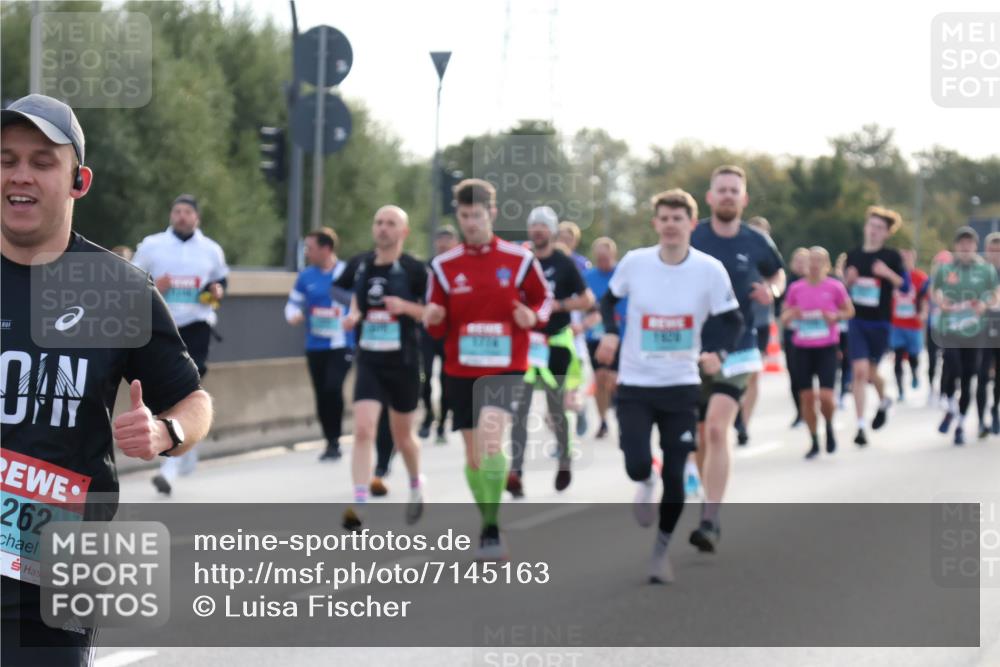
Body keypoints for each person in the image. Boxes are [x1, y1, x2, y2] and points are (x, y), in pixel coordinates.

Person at [2, 93, 213, 667]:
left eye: (42, 161)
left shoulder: (118, 289)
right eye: (6, 159)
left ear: (79, 181)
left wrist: (166, 431)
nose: (20, 175)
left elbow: (193, 400)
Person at [595, 188, 742, 583]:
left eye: (679, 218)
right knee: (638, 462)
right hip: (637, 383)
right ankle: (644, 481)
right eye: (664, 218)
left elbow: (732, 320)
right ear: (655, 223)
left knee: (676, 476)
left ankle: (661, 551)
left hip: (681, 385)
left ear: (691, 224)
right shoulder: (635, 263)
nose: (671, 225)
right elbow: (608, 301)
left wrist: (718, 353)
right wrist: (610, 333)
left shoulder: (709, 270)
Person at [424, 179, 551, 560]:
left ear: (491, 214)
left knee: (492, 441)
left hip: (506, 365)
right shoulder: (445, 266)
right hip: (460, 369)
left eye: (478, 215)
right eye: (464, 216)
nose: (471, 223)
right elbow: (435, 322)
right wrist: (432, 318)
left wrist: (532, 316)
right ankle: (487, 520)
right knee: (474, 456)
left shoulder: (518, 259)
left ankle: (493, 529)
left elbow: (545, 302)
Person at [689, 165, 785, 553]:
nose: (728, 196)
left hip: (741, 349)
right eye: (721, 190)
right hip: (694, 349)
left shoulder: (756, 240)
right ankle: (707, 499)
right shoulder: (692, 237)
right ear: (710, 198)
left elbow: (777, 275)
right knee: (699, 437)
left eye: (734, 190)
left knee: (716, 429)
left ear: (743, 199)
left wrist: (771, 291)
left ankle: (710, 519)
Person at [336, 206, 427, 530]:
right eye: (378, 223)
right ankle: (359, 505)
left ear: (404, 232)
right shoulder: (360, 265)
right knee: (362, 430)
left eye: (391, 224)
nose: (383, 229)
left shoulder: (416, 270)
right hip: (370, 360)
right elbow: (352, 294)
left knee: (404, 437)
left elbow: (431, 313)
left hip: (403, 362)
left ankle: (416, 485)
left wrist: (405, 307)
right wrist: (354, 314)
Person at [132, 193, 228, 496]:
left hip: (197, 325)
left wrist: (214, 293)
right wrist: (154, 287)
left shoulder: (211, 250)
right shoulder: (152, 245)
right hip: (162, 327)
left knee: (188, 389)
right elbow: (131, 279)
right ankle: (187, 444)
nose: (182, 216)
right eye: (177, 211)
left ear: (196, 218)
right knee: (166, 391)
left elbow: (220, 284)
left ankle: (169, 468)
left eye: (187, 212)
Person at [508, 207, 594, 497]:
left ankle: (565, 458)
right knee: (520, 409)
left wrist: (560, 306)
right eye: (534, 226)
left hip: (556, 343)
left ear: (553, 231)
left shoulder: (564, 263)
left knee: (556, 408)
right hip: (527, 345)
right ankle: (516, 472)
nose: (538, 231)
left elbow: (586, 300)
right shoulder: (522, 260)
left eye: (543, 226)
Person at [285, 227, 353, 461]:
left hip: (342, 344)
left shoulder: (347, 273)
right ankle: (330, 441)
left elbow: (360, 303)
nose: (306, 252)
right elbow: (292, 304)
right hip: (315, 345)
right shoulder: (306, 276)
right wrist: (293, 315)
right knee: (322, 394)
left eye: (310, 248)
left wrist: (352, 317)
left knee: (333, 387)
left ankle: (335, 438)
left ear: (326, 249)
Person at [844, 206, 909, 446]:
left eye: (879, 228)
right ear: (865, 227)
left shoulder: (891, 256)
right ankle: (861, 426)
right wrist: (847, 282)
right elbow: (843, 291)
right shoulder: (853, 255)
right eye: (871, 226)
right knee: (859, 372)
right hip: (856, 320)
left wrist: (887, 273)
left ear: (887, 233)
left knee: (871, 373)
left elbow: (904, 288)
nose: (874, 231)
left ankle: (884, 401)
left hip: (880, 323)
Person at [780, 247, 854, 458]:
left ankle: (829, 426)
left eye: (819, 260)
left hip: (826, 347)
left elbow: (849, 311)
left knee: (826, 396)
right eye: (811, 260)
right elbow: (784, 316)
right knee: (807, 398)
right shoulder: (796, 288)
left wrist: (835, 316)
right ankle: (813, 440)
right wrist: (790, 315)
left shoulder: (835, 286)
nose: (813, 264)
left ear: (826, 265)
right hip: (802, 348)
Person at [933, 227, 999, 445]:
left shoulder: (985, 270)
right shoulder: (946, 269)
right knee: (953, 366)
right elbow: (936, 290)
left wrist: (983, 303)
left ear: (975, 246)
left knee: (970, 375)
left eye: (969, 243)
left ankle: (960, 423)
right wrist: (941, 300)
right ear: (956, 246)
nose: (965, 247)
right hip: (951, 328)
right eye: (961, 243)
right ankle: (950, 403)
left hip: (975, 330)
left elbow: (995, 292)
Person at [418, 225, 460, 443]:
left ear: (455, 243)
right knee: (423, 377)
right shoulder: (427, 267)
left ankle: (443, 421)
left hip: (449, 333)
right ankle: (428, 415)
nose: (443, 244)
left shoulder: (459, 267)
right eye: (440, 239)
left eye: (448, 240)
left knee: (446, 380)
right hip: (427, 331)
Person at [738, 216, 777, 444]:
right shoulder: (736, 253)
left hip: (760, 322)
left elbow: (778, 279)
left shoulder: (770, 259)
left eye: (762, 234)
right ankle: (734, 410)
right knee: (734, 376)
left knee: (752, 375)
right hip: (735, 322)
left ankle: (744, 423)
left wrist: (772, 290)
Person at [583, 236, 626, 439]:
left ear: (614, 255)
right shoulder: (588, 277)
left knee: (614, 379)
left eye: (606, 258)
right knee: (600, 378)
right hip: (595, 336)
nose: (603, 263)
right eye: (599, 259)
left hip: (621, 334)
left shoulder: (623, 273)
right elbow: (582, 303)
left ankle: (621, 412)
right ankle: (602, 421)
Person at [557, 220, 592, 436]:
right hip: (552, 337)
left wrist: (582, 325)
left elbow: (590, 302)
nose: (564, 241)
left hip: (574, 338)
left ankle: (578, 410)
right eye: (561, 236)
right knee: (557, 394)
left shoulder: (581, 265)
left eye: (569, 238)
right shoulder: (546, 263)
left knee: (568, 391)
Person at [890, 249, 930, 402]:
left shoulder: (920, 277)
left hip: (913, 325)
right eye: (902, 258)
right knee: (898, 357)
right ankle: (900, 390)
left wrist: (923, 313)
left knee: (913, 357)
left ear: (913, 258)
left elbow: (925, 298)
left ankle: (914, 372)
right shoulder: (893, 276)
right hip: (897, 324)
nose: (905, 261)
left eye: (908, 257)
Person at [782, 248, 810, 428]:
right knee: (795, 375)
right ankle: (800, 412)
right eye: (796, 260)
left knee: (809, 375)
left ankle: (810, 410)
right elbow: (779, 309)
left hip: (814, 336)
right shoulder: (785, 282)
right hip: (792, 333)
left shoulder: (815, 282)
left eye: (803, 260)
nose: (799, 264)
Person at [926, 250, 954, 407]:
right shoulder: (930, 282)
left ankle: (943, 392)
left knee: (947, 360)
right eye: (939, 264)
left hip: (948, 328)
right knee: (931, 359)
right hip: (933, 326)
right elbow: (928, 297)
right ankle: (931, 388)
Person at [981, 233, 1000, 434]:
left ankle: (995, 409)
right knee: (982, 372)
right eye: (993, 251)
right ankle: (981, 416)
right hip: (983, 328)